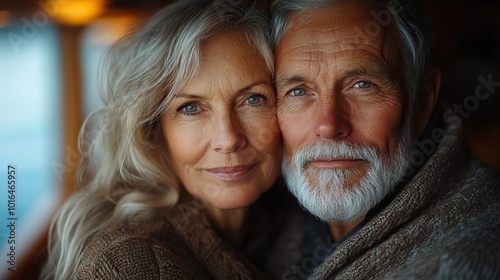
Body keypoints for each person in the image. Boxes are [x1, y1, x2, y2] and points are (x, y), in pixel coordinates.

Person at [41, 0, 287, 279]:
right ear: (155, 130)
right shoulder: (126, 265)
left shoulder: (292, 222)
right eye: (190, 108)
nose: (228, 139)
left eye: (253, 99)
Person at [271, 0, 500, 279]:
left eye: (363, 85)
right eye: (298, 91)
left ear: (423, 101)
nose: (329, 126)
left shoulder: (473, 257)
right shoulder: (265, 222)